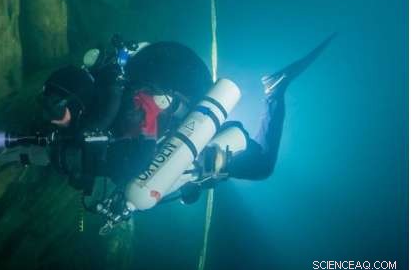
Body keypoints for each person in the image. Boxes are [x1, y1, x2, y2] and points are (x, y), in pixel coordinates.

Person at [30, 34, 334, 217]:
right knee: (255, 166)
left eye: (56, 108)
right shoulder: (104, 96)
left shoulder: (133, 106)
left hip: (188, 122)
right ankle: (263, 103)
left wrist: (84, 162)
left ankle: (272, 96)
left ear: (79, 102)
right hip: (180, 102)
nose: (51, 117)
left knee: (262, 167)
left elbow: (137, 161)